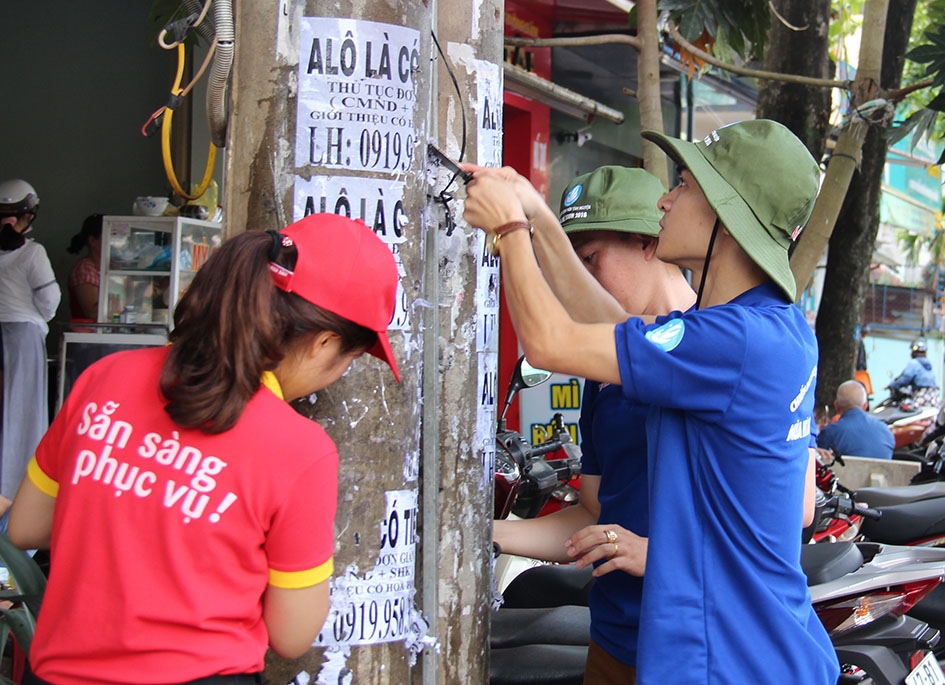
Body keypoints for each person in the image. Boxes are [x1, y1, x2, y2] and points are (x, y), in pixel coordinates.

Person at [463, 119, 838, 684]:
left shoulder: (734, 342)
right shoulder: (763, 330)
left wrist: (511, 230)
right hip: (757, 648)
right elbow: (611, 325)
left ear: (727, 217)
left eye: (684, 184)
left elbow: (551, 341)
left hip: (731, 660)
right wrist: (538, 217)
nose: (664, 199)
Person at [8, 213, 401, 685]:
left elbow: (27, 527)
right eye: (351, 360)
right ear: (323, 343)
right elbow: (292, 634)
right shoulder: (300, 449)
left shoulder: (104, 379)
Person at [493, 166, 695, 681]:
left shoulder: (714, 346)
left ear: (650, 242)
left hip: (694, 643)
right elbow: (594, 515)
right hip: (614, 635)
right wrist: (487, 533)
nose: (576, 283)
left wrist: (659, 556)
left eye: (590, 261)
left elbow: (787, 516)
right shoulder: (603, 374)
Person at [0, 179, 60, 518]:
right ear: (29, 214)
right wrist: (38, 321)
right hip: (22, 339)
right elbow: (50, 301)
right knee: (21, 421)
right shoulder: (32, 252)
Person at [817, 380, 894, 459]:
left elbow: (818, 459)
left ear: (836, 406)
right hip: (879, 471)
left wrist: (822, 434)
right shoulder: (886, 431)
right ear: (865, 405)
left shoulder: (830, 432)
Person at [66, 213, 104, 322]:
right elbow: (92, 313)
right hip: (89, 335)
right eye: (110, 236)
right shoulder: (84, 269)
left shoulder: (111, 267)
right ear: (92, 241)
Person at [889, 339, 939, 407]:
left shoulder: (913, 363)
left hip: (921, 395)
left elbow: (906, 378)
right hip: (933, 395)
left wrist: (893, 385)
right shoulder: (928, 364)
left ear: (914, 352)